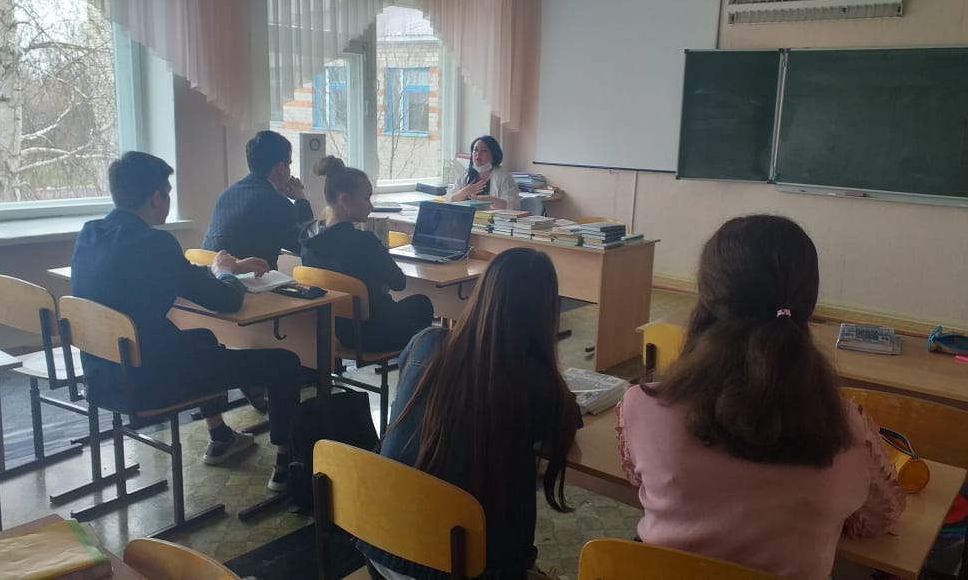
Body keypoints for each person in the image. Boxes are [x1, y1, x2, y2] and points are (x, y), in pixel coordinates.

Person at [617, 215, 905, 580]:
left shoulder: (643, 405)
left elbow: (642, 482)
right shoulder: (846, 430)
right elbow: (880, 518)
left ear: (708, 295)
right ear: (808, 301)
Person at [72, 151, 302, 491]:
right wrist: (224, 274)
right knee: (285, 363)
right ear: (155, 198)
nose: (168, 200)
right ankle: (286, 467)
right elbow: (227, 301)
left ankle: (221, 437)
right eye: (167, 192)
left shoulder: (90, 233)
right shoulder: (154, 243)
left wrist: (224, 269)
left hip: (102, 375)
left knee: (200, 339)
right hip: (152, 383)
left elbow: (174, 275)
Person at [359, 248, 581, 580]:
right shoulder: (537, 383)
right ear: (546, 313)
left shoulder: (425, 342)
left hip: (382, 547)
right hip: (456, 566)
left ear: (482, 293)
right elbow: (563, 430)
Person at [299, 156, 433, 352]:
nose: (371, 206)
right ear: (344, 200)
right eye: (366, 198)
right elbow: (399, 283)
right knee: (422, 304)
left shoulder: (308, 237)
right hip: (374, 333)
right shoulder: (364, 242)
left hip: (333, 331)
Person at [202, 130, 313, 270]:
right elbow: (307, 244)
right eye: (288, 164)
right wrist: (301, 199)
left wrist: (278, 195)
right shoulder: (276, 203)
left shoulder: (228, 193)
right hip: (247, 280)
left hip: (214, 274)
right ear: (280, 168)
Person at [450, 135, 521, 210]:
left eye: (484, 150)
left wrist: (489, 200)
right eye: (475, 150)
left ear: (493, 154)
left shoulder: (504, 177)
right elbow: (450, 201)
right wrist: (464, 191)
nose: (478, 154)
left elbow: (513, 205)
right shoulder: (466, 176)